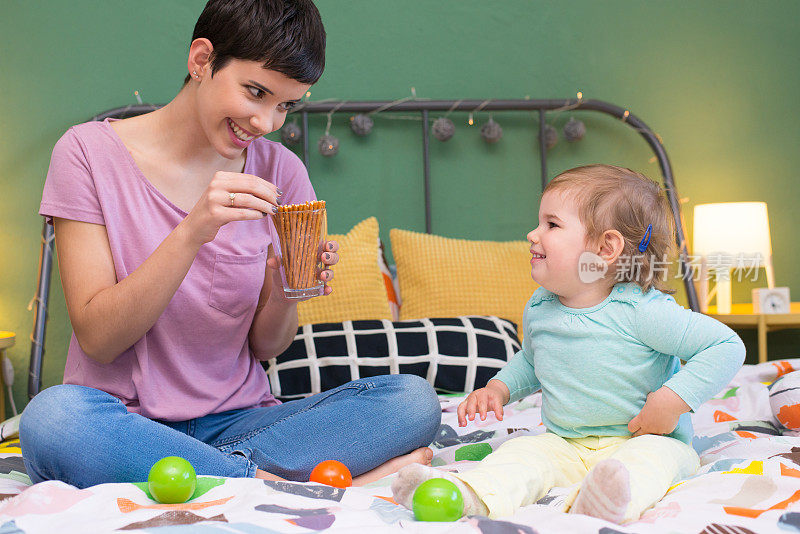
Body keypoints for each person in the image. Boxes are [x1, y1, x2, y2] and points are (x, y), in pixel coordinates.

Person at [21, 0, 440, 489]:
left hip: (241, 422)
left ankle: (211, 474)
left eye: (285, 104)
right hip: (121, 421)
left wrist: (284, 288)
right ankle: (276, 484)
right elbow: (99, 338)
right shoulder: (86, 153)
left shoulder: (282, 172)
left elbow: (266, 347)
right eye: (256, 92)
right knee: (53, 420)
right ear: (201, 60)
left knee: (412, 401)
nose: (266, 122)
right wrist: (192, 230)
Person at [392, 164, 745, 523]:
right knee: (522, 454)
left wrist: (672, 401)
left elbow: (725, 346)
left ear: (606, 247)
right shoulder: (541, 306)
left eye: (552, 224)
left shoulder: (642, 311)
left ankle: (608, 500)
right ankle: (467, 494)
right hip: (565, 443)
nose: (533, 234)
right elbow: (533, 361)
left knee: (648, 464)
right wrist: (498, 388)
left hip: (648, 438)